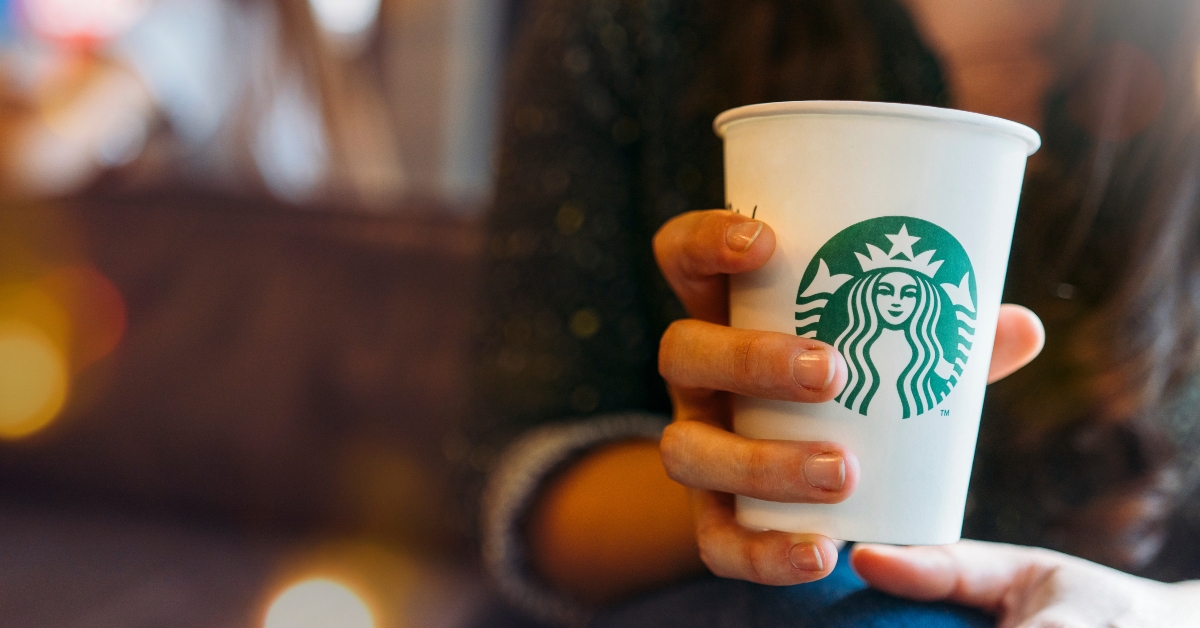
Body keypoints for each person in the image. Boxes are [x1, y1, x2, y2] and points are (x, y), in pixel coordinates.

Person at [464, 0, 1200, 625]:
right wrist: (740, 478)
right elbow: (516, 489)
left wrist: (1159, 611)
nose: (898, 299)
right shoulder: (637, 22)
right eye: (885, 291)